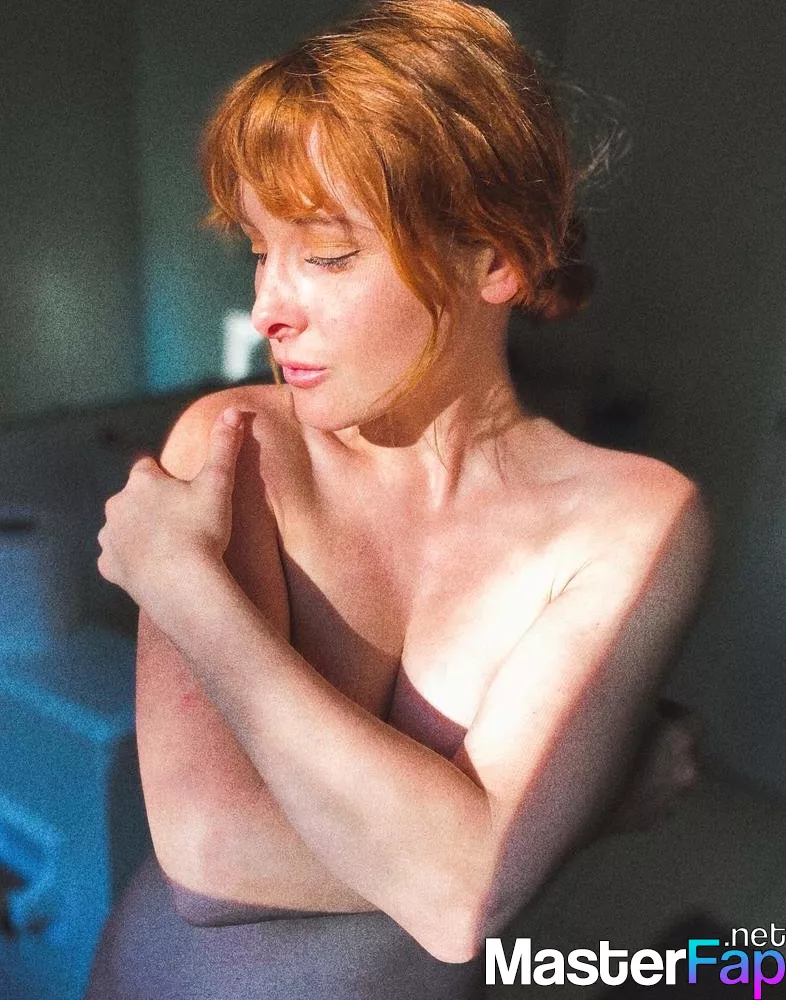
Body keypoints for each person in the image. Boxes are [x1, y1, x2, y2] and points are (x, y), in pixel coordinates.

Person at [87, 1, 711, 997]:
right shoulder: (240, 445)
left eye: (327, 254)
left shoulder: (633, 518)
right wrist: (561, 819)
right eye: (259, 251)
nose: (267, 308)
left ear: (494, 258)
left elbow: (465, 899)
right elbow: (209, 855)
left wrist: (185, 588)